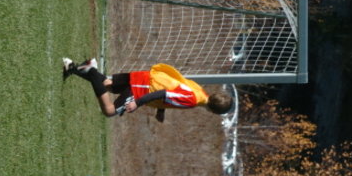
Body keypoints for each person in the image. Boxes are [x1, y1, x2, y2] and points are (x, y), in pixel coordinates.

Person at [62, 57, 233, 122]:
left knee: (107, 84)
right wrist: (137, 103)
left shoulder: (200, 91)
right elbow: (163, 93)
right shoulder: (193, 100)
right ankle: (91, 70)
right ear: (213, 112)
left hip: (147, 77)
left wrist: (161, 110)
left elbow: (170, 89)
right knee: (109, 110)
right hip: (143, 89)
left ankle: (72, 67)